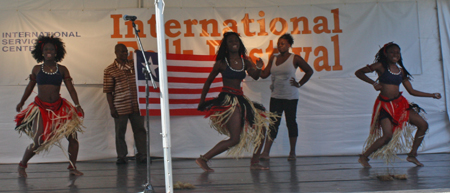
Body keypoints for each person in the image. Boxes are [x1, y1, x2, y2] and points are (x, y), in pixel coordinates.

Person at [196, 32, 278, 172]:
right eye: (230, 41)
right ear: (226, 46)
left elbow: (256, 76)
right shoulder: (221, 63)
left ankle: (255, 162)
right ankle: (203, 159)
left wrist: (258, 67)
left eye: (236, 41)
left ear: (239, 44)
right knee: (235, 139)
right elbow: (208, 82)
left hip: (241, 99)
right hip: (228, 101)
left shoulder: (245, 61)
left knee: (262, 129)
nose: (234, 42)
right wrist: (202, 102)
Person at [355, 42, 441, 167]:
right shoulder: (380, 66)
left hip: (400, 104)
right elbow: (359, 73)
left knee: (423, 125)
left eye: (398, 52)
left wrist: (432, 95)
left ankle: (412, 155)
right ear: (386, 54)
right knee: (387, 136)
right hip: (385, 105)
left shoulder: (401, 71)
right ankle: (364, 157)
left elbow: (412, 91)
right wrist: (374, 83)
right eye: (392, 52)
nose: (395, 54)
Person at [15, 35, 85, 177]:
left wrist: (77, 105)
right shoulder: (36, 69)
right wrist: (22, 102)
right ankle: (22, 164)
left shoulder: (63, 69)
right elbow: (30, 87)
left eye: (51, 49)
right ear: (41, 52)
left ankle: (72, 166)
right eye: (46, 49)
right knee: (39, 140)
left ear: (56, 52)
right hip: (41, 109)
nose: (49, 51)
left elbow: (71, 89)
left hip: (59, 108)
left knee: (73, 138)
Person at [259, 33, 314, 161]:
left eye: (282, 43)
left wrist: (299, 83)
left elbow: (309, 71)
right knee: (273, 123)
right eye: (278, 44)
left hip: (290, 96)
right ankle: (266, 152)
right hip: (276, 96)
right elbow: (264, 75)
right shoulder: (273, 58)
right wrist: (258, 66)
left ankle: (292, 152)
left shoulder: (295, 58)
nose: (280, 46)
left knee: (291, 122)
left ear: (289, 45)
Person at [103, 44, 147, 164]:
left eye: (126, 51)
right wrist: (112, 108)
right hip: (120, 106)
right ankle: (121, 156)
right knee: (120, 132)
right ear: (116, 52)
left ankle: (142, 155)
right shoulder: (109, 70)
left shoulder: (135, 65)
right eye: (122, 51)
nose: (125, 53)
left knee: (140, 130)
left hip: (137, 105)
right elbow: (108, 91)